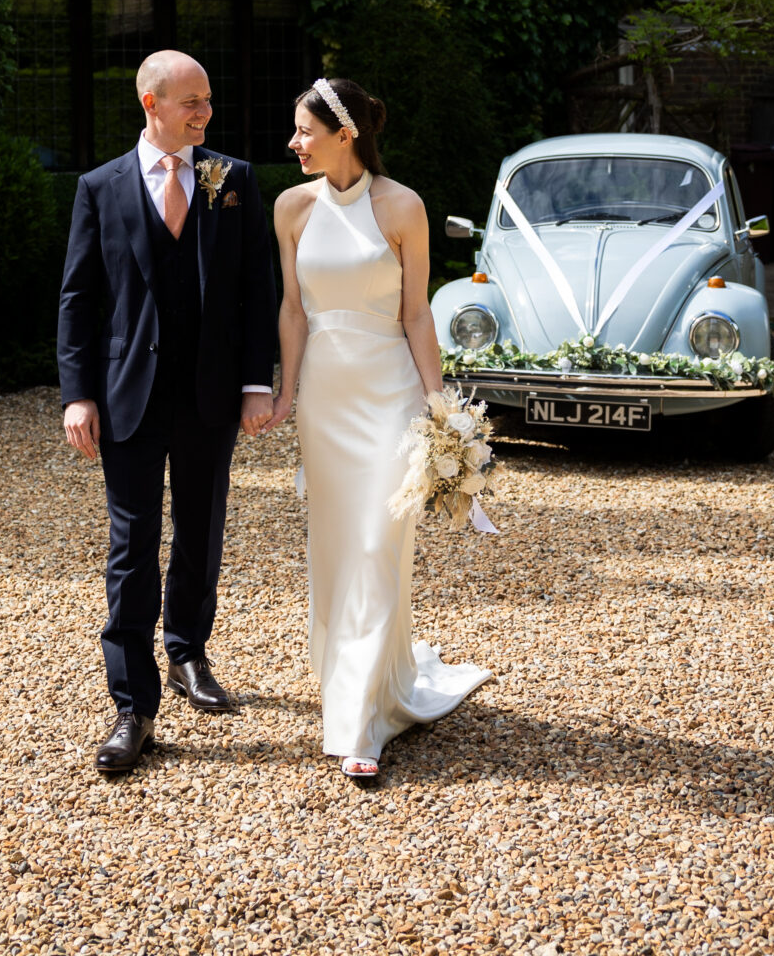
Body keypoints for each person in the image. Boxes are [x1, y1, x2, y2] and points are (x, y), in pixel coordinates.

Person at [263, 76, 491, 782]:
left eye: (302, 131)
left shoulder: (402, 207)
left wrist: (440, 410)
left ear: (345, 133)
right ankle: (358, 682)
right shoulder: (290, 208)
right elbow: (293, 312)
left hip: (389, 395)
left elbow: (417, 314)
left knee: (374, 542)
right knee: (336, 548)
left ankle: (362, 723)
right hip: (326, 405)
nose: (292, 143)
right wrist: (283, 395)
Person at [58, 50, 279, 775]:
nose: (204, 113)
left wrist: (255, 383)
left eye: (208, 101)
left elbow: (254, 290)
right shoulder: (100, 187)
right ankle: (134, 705)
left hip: (211, 392)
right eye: (191, 102)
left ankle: (187, 653)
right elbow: (80, 298)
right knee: (131, 545)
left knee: (200, 528)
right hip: (127, 394)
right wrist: (76, 393)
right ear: (150, 103)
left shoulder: (229, 179)